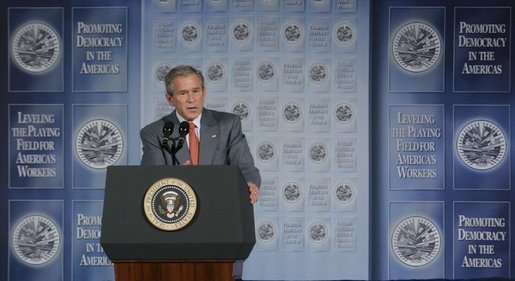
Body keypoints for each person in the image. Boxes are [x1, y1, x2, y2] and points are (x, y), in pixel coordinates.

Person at [140, 64, 261, 204]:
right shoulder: (154, 133)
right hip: (179, 208)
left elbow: (245, 166)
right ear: (170, 99)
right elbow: (153, 180)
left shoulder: (228, 124)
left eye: (196, 91)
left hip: (221, 204)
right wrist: (177, 178)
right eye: (183, 93)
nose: (191, 99)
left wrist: (250, 183)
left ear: (203, 92)